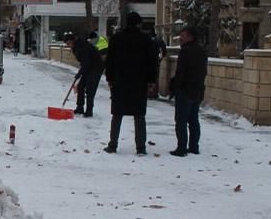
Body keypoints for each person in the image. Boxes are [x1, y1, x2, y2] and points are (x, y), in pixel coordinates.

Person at [103, 12, 158, 155]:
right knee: (139, 115)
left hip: (119, 81)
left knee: (117, 114)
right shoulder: (146, 40)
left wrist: (109, 77)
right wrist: (151, 80)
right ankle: (141, 147)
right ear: (139, 23)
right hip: (139, 82)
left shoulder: (116, 38)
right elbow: (151, 62)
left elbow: (110, 60)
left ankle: (113, 145)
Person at [169, 26, 208, 157]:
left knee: (181, 120)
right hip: (197, 89)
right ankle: (194, 146)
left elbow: (181, 72)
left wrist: (175, 86)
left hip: (185, 90)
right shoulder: (202, 51)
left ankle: (181, 148)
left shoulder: (185, 52)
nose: (181, 38)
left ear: (191, 36)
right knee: (193, 119)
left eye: (183, 36)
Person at [63, 32, 103, 117]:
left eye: (69, 43)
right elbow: (85, 62)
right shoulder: (76, 47)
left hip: (96, 67)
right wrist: (81, 72)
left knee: (90, 89)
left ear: (73, 41)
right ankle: (80, 108)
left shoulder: (82, 46)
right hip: (88, 67)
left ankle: (89, 111)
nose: (68, 45)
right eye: (66, 44)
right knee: (81, 86)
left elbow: (87, 62)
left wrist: (79, 73)